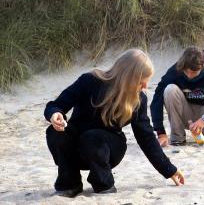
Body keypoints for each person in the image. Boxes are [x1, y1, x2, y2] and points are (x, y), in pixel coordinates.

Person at [44, 49, 184, 198]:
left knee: (92, 137)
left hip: (110, 148)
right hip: (78, 146)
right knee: (54, 132)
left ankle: (103, 184)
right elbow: (56, 104)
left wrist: (169, 170)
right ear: (128, 77)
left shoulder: (138, 100)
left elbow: (146, 138)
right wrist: (54, 114)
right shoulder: (89, 81)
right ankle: (69, 184)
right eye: (142, 81)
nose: (145, 86)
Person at [150, 46, 204, 146]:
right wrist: (160, 133)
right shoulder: (175, 70)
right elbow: (157, 99)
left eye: (194, 72)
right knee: (169, 89)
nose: (189, 75)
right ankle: (178, 136)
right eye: (187, 71)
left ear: (203, 66)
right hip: (185, 114)